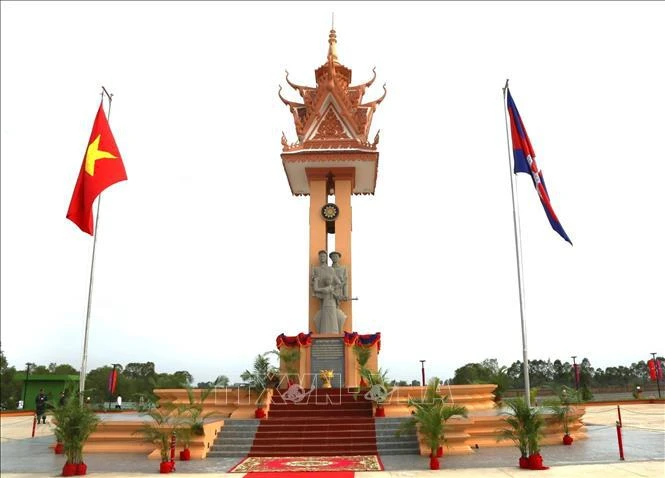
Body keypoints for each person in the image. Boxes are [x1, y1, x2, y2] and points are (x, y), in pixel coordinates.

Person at [311, 250, 343, 333]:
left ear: (326, 258)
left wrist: (332, 288)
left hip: (331, 298)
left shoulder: (330, 270)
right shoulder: (316, 269)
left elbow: (339, 283)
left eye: (324, 256)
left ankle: (334, 331)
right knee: (323, 316)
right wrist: (315, 281)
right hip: (322, 296)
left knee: (333, 316)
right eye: (320, 256)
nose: (322, 258)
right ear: (319, 258)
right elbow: (315, 286)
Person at [329, 251, 348, 331]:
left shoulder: (343, 268)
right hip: (329, 292)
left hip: (339, 291)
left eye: (336, 256)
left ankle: (337, 329)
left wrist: (345, 294)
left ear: (339, 257)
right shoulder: (329, 269)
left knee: (337, 310)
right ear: (331, 258)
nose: (335, 258)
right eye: (333, 256)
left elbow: (345, 282)